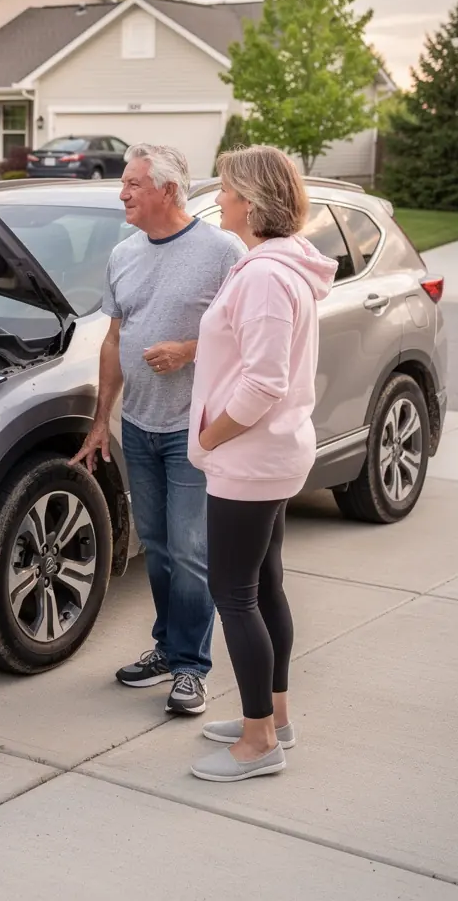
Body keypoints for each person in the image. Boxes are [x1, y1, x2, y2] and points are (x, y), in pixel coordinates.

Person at [72, 144, 245, 716]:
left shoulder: (223, 251)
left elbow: (247, 337)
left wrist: (190, 350)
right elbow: (115, 340)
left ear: (168, 190)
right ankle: (168, 650)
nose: (122, 193)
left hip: (195, 432)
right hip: (139, 426)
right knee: (161, 550)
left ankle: (192, 669)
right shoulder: (123, 254)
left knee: (193, 553)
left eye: (133, 185)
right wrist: (102, 421)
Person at [187, 145, 337, 783]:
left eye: (225, 188)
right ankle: (274, 716)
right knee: (263, 586)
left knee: (234, 595)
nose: (218, 198)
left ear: (251, 201)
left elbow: (263, 383)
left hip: (251, 459)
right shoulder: (274, 268)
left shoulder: (266, 278)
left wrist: (214, 438)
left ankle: (257, 743)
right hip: (267, 455)